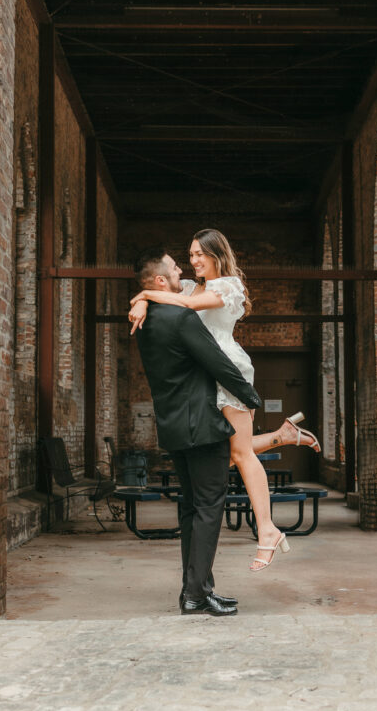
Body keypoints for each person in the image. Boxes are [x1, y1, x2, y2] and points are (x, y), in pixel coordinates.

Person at [129, 229, 321, 572]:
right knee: (229, 452)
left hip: (228, 370)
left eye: (201, 254)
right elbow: (169, 295)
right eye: (190, 255)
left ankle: (267, 530)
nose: (194, 261)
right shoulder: (189, 286)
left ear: (218, 254)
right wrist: (144, 300)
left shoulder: (229, 286)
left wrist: (144, 293)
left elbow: (183, 305)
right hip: (204, 376)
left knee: (240, 453)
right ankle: (284, 436)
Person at [133, 247, 262, 617]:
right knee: (209, 508)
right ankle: (196, 594)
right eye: (175, 268)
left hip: (172, 426)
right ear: (161, 281)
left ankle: (194, 591)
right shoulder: (180, 317)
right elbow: (218, 363)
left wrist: (141, 298)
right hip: (203, 426)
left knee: (191, 509)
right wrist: (250, 397)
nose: (182, 272)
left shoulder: (145, 322)